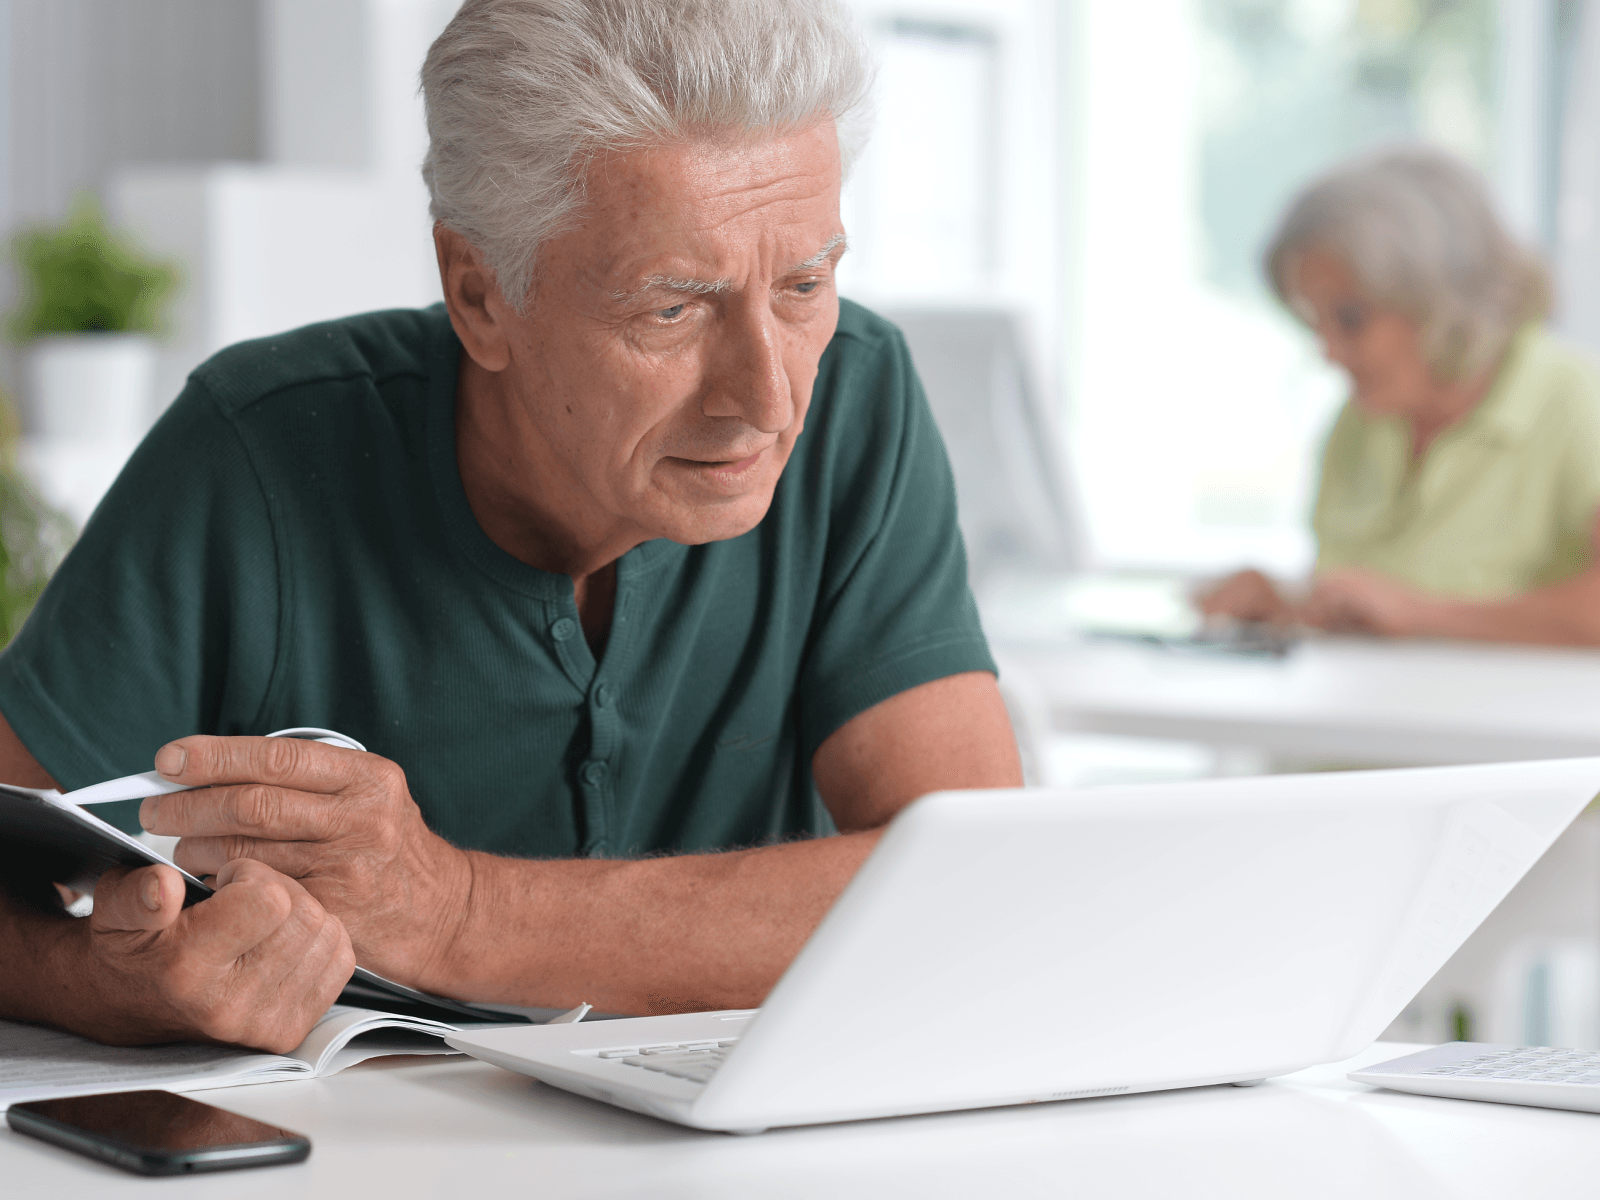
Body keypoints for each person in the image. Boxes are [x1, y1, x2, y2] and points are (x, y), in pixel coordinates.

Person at [0, 0, 1021, 1052]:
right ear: (479, 295)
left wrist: (456, 909)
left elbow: (978, 888)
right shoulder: (257, 450)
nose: (766, 398)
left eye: (805, 285)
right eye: (672, 308)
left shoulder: (858, 397)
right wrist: (113, 987)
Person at [1199, 146, 1600, 645]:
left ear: (1439, 298)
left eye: (1349, 319)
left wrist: (1423, 616)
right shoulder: (1357, 425)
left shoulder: (1578, 404)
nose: (1327, 353)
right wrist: (1286, 603)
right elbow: (1370, 606)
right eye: (1312, 322)